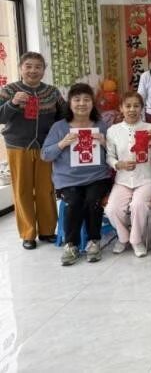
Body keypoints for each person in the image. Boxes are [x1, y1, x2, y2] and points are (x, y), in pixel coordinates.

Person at [41, 83, 112, 266]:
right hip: (68, 179)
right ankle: (71, 245)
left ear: (92, 103)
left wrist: (104, 143)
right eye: (77, 99)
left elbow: (116, 154)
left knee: (93, 200)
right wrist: (62, 143)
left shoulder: (101, 125)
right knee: (74, 201)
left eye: (86, 99)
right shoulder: (59, 127)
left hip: (97, 177)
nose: (82, 103)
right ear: (70, 103)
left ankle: (94, 241)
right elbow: (45, 155)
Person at [0, 52, 64, 249]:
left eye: (38, 67)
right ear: (21, 68)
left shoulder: (52, 92)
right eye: (28, 66)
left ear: (44, 70)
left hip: (46, 147)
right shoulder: (8, 91)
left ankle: (47, 230)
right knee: (22, 190)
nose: (33, 70)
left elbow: (63, 117)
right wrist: (12, 103)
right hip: (18, 146)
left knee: (46, 189)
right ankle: (28, 234)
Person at [104, 92, 151, 258]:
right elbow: (109, 156)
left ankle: (136, 240)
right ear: (121, 108)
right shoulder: (113, 130)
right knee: (112, 209)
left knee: (138, 205)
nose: (132, 109)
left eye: (136, 106)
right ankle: (123, 237)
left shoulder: (150, 128)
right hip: (122, 180)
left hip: (146, 179)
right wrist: (118, 164)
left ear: (142, 108)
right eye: (128, 106)